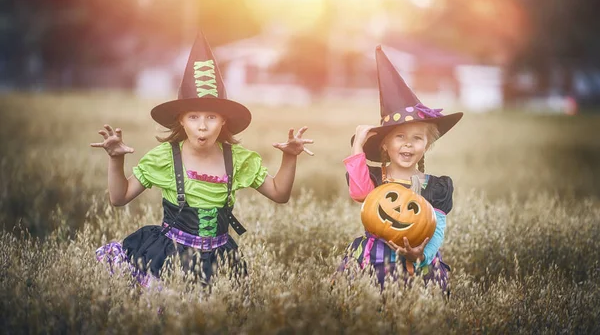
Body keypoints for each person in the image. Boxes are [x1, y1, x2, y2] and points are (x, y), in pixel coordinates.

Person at [92, 32, 314, 287]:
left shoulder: (237, 160)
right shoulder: (165, 158)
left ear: (223, 121)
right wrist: (115, 160)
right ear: (181, 120)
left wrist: (289, 157)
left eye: (211, 117)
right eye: (194, 117)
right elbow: (119, 198)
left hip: (220, 260)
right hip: (169, 256)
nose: (202, 126)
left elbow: (279, 193)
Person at [338, 46, 462, 294]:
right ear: (385, 144)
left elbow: (437, 229)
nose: (408, 143)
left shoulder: (436, 187)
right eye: (400, 137)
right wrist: (358, 146)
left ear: (427, 145)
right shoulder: (375, 179)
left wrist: (421, 255)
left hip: (419, 262)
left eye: (417, 138)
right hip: (373, 259)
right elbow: (360, 193)